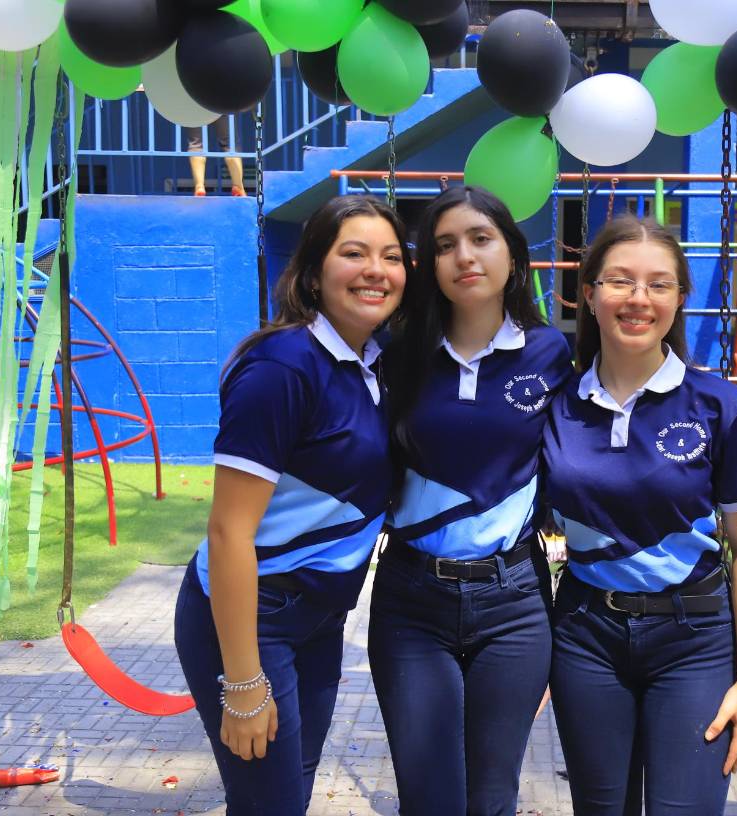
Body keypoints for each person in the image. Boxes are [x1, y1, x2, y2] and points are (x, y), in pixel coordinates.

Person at [173, 196, 409, 815]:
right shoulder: (283, 365)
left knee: (287, 793)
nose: (375, 270)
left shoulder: (375, 364)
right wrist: (244, 682)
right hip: (254, 618)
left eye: (391, 256)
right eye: (353, 253)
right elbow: (228, 533)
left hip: (319, 619)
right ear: (312, 272)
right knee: (267, 803)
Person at [543, 216, 737, 814]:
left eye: (659, 284)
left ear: (678, 299)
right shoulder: (555, 404)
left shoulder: (719, 406)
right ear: (589, 294)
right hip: (585, 635)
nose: (638, 299)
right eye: (620, 281)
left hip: (693, 640)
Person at [371, 186, 574, 815]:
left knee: (491, 796)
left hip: (514, 600)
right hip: (411, 600)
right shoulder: (396, 354)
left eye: (481, 239)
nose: (464, 256)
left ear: (512, 254)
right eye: (445, 245)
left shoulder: (550, 353)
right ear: (429, 265)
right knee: (428, 797)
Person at [186, 116, 245, 197]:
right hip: (220, 104)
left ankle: (199, 186)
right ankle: (238, 186)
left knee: (196, 144)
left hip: (196, 105)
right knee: (230, 144)